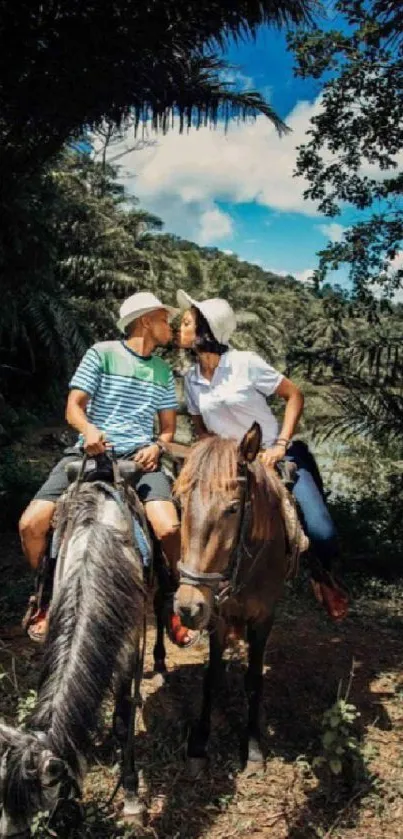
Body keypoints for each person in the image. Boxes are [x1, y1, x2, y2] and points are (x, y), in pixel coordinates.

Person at [19, 291, 193, 645]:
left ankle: (174, 600)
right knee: (31, 524)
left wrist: (156, 446)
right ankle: (48, 595)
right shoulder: (102, 353)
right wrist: (89, 431)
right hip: (89, 455)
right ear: (145, 320)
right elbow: (74, 408)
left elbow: (168, 429)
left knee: (170, 529)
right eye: (163, 319)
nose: (168, 326)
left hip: (141, 462)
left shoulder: (161, 370)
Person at [176, 289, 348, 622]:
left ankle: (322, 578)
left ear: (207, 330)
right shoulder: (192, 379)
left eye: (186, 323)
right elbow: (201, 428)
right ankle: (190, 592)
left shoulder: (245, 363)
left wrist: (281, 444)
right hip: (227, 463)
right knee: (190, 515)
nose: (178, 329)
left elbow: (293, 395)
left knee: (322, 534)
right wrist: (216, 458)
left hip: (274, 454)